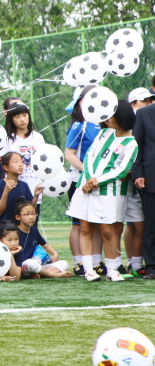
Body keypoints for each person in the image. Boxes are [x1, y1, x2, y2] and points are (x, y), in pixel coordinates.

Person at [67, 100, 138, 282]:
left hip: (106, 192)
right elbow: (89, 155)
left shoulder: (131, 143)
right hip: (85, 187)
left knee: (108, 231)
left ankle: (112, 269)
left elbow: (121, 170)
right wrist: (89, 177)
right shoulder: (104, 133)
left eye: (111, 116)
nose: (107, 120)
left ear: (120, 117)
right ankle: (89, 269)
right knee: (85, 227)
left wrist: (97, 181)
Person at [64, 86, 102, 275]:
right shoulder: (79, 125)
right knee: (79, 223)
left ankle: (97, 261)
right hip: (79, 180)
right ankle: (79, 262)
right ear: (81, 102)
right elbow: (69, 154)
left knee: (97, 222)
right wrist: (86, 172)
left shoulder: (106, 125)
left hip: (100, 181)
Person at [129, 84, 155, 279]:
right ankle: (152, 266)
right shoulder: (144, 114)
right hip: (150, 177)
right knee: (151, 224)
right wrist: (138, 173)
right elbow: (135, 146)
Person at [12, 197, 71, 278]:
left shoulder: (34, 230)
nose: (31, 217)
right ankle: (54, 275)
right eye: (27, 214)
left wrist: (55, 254)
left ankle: (38, 274)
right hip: (21, 267)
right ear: (18, 217)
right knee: (30, 263)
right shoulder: (14, 232)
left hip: (35, 265)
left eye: (33, 213)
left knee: (64, 263)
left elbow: (45, 245)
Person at [0, 151, 42, 235]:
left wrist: (36, 196)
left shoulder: (24, 185)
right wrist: (6, 192)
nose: (20, 164)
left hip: (19, 230)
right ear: (6, 167)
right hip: (2, 230)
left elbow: (29, 208)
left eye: (22, 161)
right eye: (16, 161)